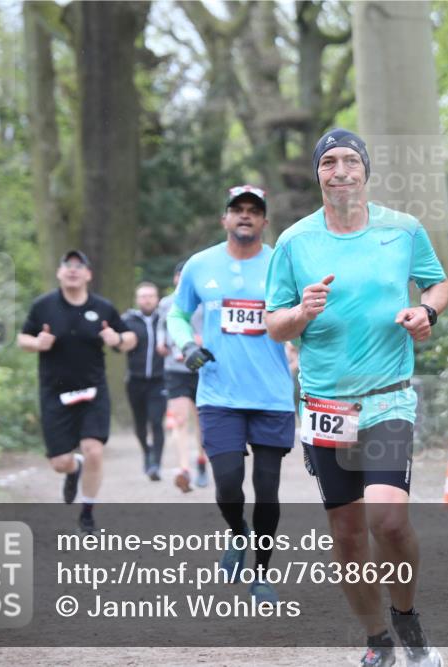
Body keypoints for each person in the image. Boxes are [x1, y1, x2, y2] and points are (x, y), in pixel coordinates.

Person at [265, 129, 448, 667]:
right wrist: (301, 313)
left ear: (365, 171)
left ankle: (408, 619)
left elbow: (436, 285)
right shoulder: (295, 242)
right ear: (319, 174)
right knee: (346, 535)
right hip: (326, 405)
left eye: (350, 161)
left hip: (388, 397)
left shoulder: (403, 230)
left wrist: (426, 313)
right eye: (329, 162)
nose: (340, 170)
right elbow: (274, 324)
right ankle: (377, 642)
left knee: (387, 522)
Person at [168, 184, 296, 605]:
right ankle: (238, 532)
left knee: (268, 490)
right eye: (237, 210)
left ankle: (261, 575)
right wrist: (186, 345)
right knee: (226, 483)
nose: (245, 216)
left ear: (263, 221)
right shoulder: (200, 265)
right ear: (225, 219)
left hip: (272, 394)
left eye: (253, 211)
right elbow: (178, 314)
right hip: (219, 392)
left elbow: (302, 316)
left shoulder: (282, 263)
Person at [17, 250, 136, 534]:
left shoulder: (103, 308)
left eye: (78, 265)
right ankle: (73, 468)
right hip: (55, 393)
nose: (72, 270)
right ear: (59, 272)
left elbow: (131, 338)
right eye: (67, 265)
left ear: (88, 274)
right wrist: (37, 344)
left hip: (93, 391)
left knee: (94, 450)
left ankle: (88, 512)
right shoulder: (43, 306)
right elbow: (22, 338)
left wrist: (117, 338)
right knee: (59, 463)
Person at [156, 263, 209, 491]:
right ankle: (183, 469)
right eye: (180, 275)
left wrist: (199, 341)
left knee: (200, 420)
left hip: (200, 368)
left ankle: (202, 462)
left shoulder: (205, 302)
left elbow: (213, 331)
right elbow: (161, 326)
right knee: (179, 419)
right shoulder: (166, 303)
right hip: (174, 369)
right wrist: (161, 343)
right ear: (176, 278)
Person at [122, 281, 167, 480]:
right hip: (135, 380)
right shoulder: (127, 320)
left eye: (150, 295)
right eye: (143, 296)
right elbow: (117, 345)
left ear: (157, 298)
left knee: (157, 421)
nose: (147, 299)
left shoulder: (165, 319)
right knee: (140, 424)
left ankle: (156, 464)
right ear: (137, 299)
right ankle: (146, 451)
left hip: (160, 380)